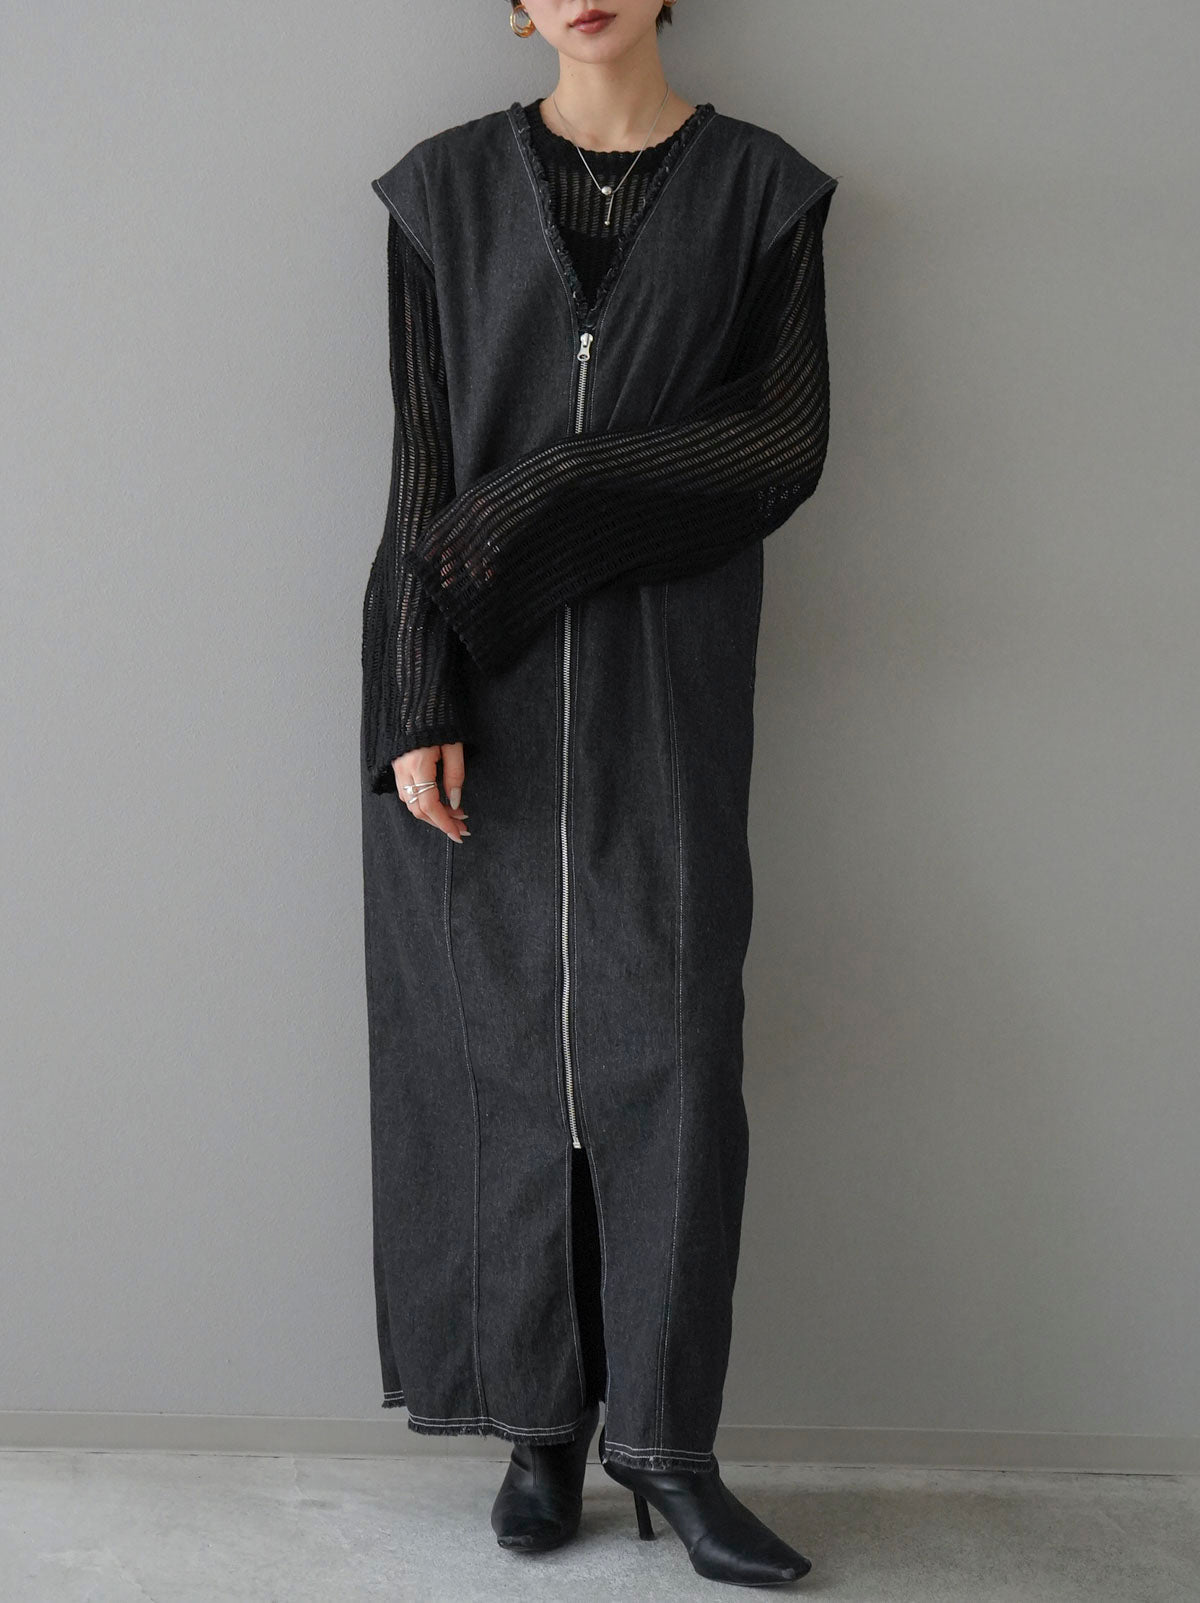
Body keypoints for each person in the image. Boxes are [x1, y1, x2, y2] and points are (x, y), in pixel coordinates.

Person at [359, 0, 838, 1585]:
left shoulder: (764, 191)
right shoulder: (439, 192)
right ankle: (539, 1429)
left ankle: (672, 1448)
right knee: (499, 1054)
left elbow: (776, 445)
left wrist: (553, 489)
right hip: (472, 672)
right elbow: (422, 464)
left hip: (666, 673)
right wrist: (416, 688)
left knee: (674, 1049)